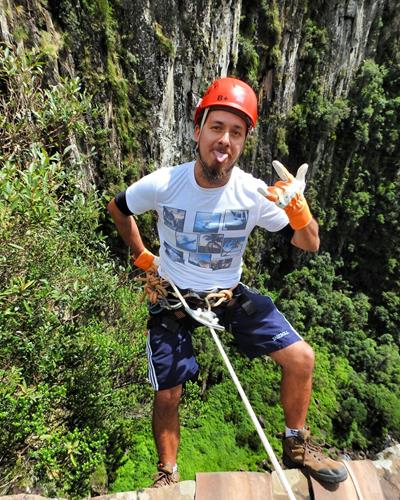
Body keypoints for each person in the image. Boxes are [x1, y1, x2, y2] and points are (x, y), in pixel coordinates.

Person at [107, 77, 348, 488]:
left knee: (301, 359)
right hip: (173, 295)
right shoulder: (165, 183)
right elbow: (119, 207)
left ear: (244, 142)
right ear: (198, 130)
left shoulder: (254, 193)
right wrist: (142, 255)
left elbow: (310, 244)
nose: (225, 140)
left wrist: (299, 211)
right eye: (217, 127)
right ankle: (167, 472)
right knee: (168, 392)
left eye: (236, 132)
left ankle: (296, 444)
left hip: (227, 294)